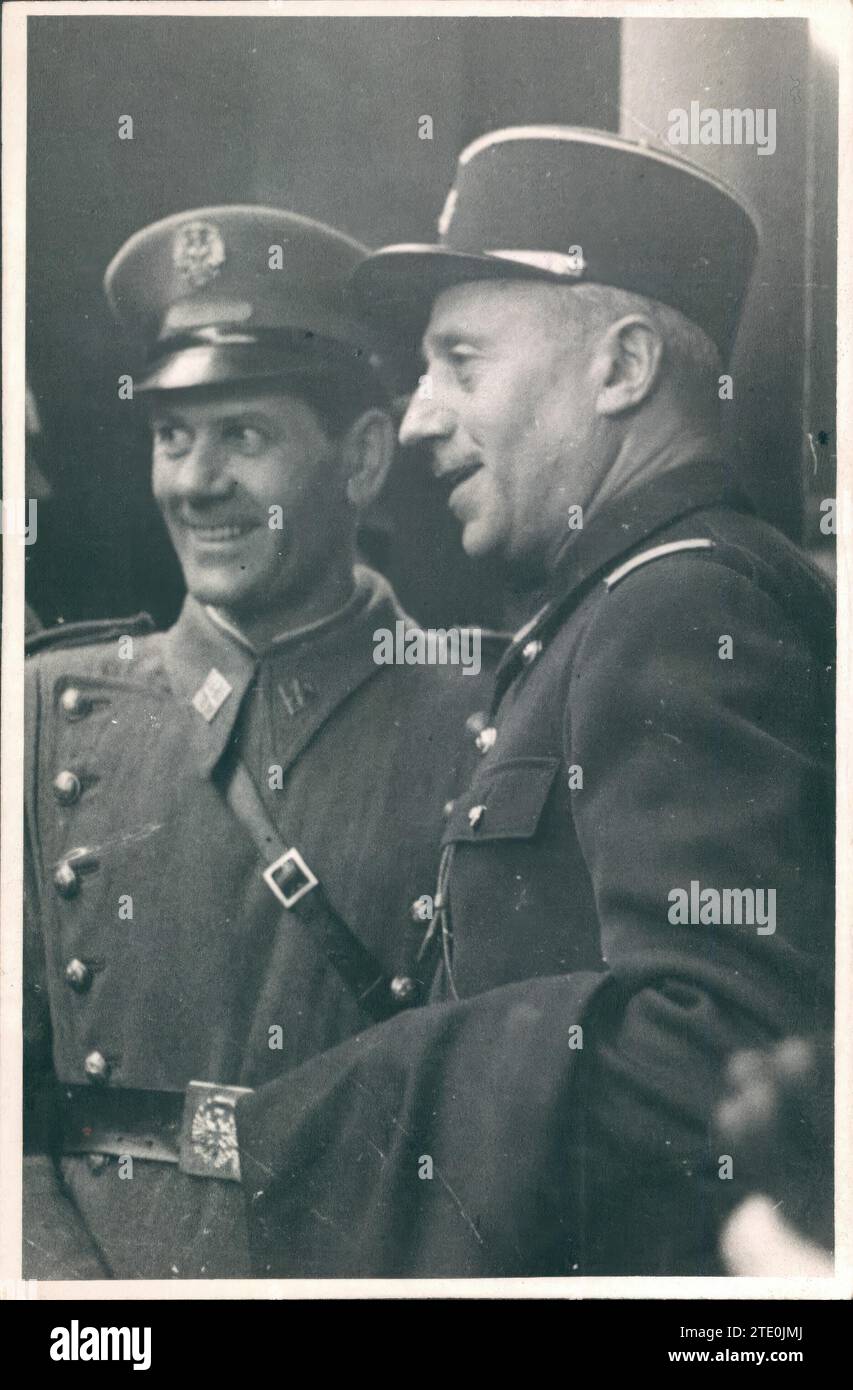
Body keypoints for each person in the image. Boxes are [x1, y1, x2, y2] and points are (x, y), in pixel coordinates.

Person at [232, 129, 835, 1277]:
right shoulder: (614, 606)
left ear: (621, 369)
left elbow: (726, 1066)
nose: (414, 418)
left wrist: (349, 1109)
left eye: (460, 361)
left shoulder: (683, 607)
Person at [23, 206, 498, 1279]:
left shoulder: (490, 714)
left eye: (244, 436)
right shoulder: (42, 712)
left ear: (364, 456)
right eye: (172, 435)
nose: (195, 482)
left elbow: (498, 1136)